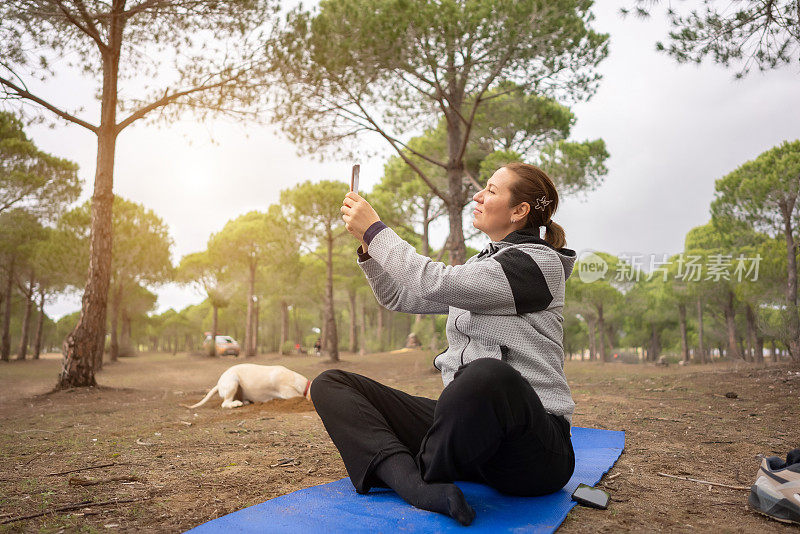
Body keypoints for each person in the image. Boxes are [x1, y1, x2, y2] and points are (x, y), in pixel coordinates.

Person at [311, 162, 577, 526]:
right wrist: (367, 245)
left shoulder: (537, 264)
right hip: (471, 436)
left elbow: (435, 283)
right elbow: (399, 296)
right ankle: (414, 485)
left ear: (519, 211)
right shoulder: (481, 265)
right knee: (331, 384)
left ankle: (425, 466)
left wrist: (376, 230)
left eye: (491, 190)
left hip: (531, 450)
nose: (479, 196)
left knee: (486, 375)